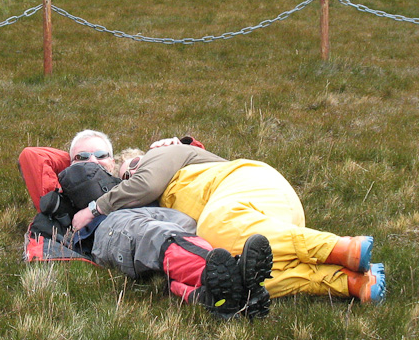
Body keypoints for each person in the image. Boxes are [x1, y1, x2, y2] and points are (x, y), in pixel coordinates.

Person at [71, 139, 386, 304]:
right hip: (270, 219)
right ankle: (348, 281)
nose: (130, 181)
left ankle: (339, 246)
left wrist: (96, 208)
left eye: (132, 169)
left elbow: (146, 185)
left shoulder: (160, 156)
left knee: (216, 227)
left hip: (250, 186)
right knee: (244, 279)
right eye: (124, 178)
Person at [18, 130, 274, 320]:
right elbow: (32, 156)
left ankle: (222, 299)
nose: (92, 160)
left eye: (101, 155)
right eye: (82, 156)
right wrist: (77, 164)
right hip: (113, 227)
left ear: (115, 161)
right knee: (154, 236)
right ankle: (227, 276)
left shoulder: (130, 180)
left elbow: (185, 164)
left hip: (161, 214)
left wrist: (178, 146)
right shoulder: (63, 191)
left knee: (182, 228)